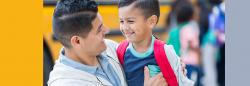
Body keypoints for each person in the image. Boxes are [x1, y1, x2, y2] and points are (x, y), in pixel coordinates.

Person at [47, 0, 168, 86]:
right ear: (77, 41)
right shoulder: (65, 83)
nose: (106, 30)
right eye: (99, 29)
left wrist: (171, 65)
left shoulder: (109, 47)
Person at [117, 0, 193, 86]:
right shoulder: (120, 52)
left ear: (151, 21)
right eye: (121, 21)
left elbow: (183, 81)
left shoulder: (165, 51)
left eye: (130, 21)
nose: (125, 27)